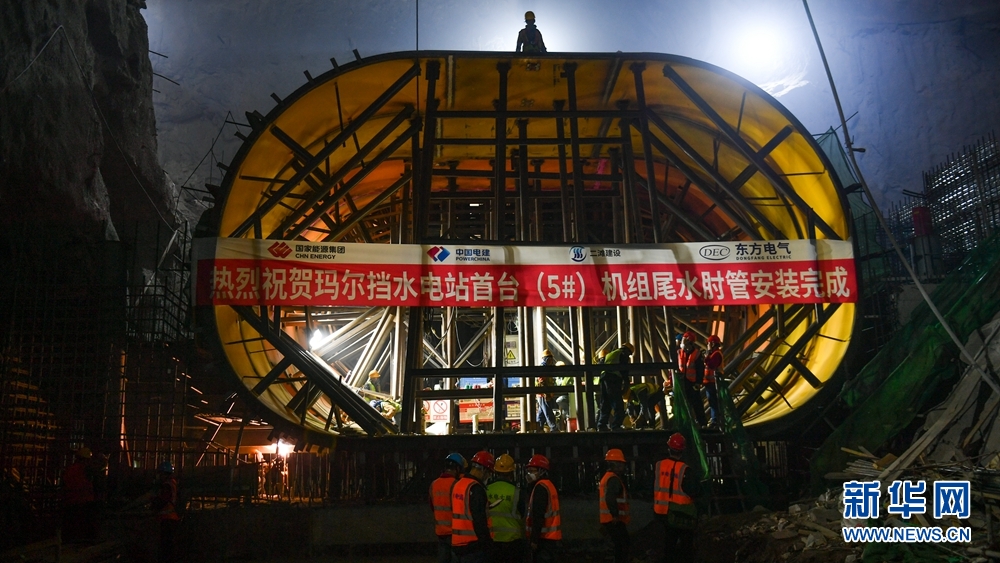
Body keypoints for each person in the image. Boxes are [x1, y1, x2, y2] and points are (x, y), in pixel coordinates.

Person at [653, 434, 699, 563]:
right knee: (686, 546)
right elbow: (694, 490)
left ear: (669, 448)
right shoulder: (685, 469)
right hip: (682, 513)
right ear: (682, 450)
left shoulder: (658, 465)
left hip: (662, 511)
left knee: (669, 544)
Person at [452, 451, 495, 562]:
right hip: (473, 546)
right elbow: (479, 520)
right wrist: (488, 544)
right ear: (484, 470)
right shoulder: (476, 488)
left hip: (457, 543)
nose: (489, 476)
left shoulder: (458, 484)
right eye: (489, 473)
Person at [487, 454, 525, 563]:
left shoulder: (487, 489)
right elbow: (522, 513)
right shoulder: (517, 491)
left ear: (495, 471)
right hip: (513, 542)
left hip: (492, 540)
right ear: (512, 473)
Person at [431, 453, 467, 563]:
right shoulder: (456, 485)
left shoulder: (433, 484)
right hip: (455, 532)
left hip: (440, 532)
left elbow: (432, 507)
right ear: (457, 468)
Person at [525, 454, 561, 562]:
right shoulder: (548, 485)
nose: (529, 474)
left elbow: (538, 515)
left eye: (532, 471)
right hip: (550, 538)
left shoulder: (540, 488)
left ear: (541, 471)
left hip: (543, 539)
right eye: (529, 471)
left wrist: (534, 540)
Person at [599, 449, 630, 563]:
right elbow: (610, 498)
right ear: (616, 464)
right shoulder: (613, 480)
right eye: (621, 464)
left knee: (619, 545)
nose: (623, 466)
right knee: (623, 545)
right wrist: (615, 515)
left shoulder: (607, 477)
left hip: (609, 519)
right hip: (615, 520)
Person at [62, 447, 97, 544]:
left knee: (73, 525)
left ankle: (72, 542)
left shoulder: (70, 469)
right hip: (83, 501)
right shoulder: (85, 469)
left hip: (71, 501)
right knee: (84, 525)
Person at [597, 343, 633, 431]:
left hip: (603, 378)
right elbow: (624, 369)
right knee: (618, 403)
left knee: (605, 403)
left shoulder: (611, 354)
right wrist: (626, 382)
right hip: (613, 378)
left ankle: (601, 425)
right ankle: (616, 425)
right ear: (628, 351)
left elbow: (600, 364)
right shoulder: (623, 354)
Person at [152, 461, 181, 563]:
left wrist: (154, 503)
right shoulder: (172, 483)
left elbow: (163, 500)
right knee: (169, 547)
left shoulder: (167, 485)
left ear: (164, 473)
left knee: (165, 547)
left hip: (167, 520)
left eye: (160, 473)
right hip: (171, 519)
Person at [676, 332, 707, 427]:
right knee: (683, 404)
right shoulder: (679, 352)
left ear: (688, 341)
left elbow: (700, 369)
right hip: (682, 382)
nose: (681, 341)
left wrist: (698, 382)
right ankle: (686, 423)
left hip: (692, 383)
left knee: (696, 403)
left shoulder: (696, 354)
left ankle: (702, 423)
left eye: (683, 339)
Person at [703, 336, 724, 427]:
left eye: (708, 343)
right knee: (712, 402)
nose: (707, 345)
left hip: (713, 382)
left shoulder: (716, 354)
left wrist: (707, 355)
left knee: (714, 402)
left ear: (712, 344)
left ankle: (715, 421)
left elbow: (711, 365)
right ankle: (715, 420)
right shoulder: (714, 354)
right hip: (710, 382)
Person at [536, 350, 558, 432]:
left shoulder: (547, 368)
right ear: (546, 359)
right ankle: (553, 428)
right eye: (549, 359)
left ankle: (538, 427)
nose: (551, 361)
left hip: (543, 394)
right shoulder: (543, 368)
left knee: (541, 413)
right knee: (548, 411)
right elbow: (542, 381)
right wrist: (547, 393)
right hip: (544, 394)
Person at [553, 361, 572, 431]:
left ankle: (567, 423)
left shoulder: (568, 376)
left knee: (560, 401)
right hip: (558, 395)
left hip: (567, 396)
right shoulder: (557, 378)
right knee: (563, 412)